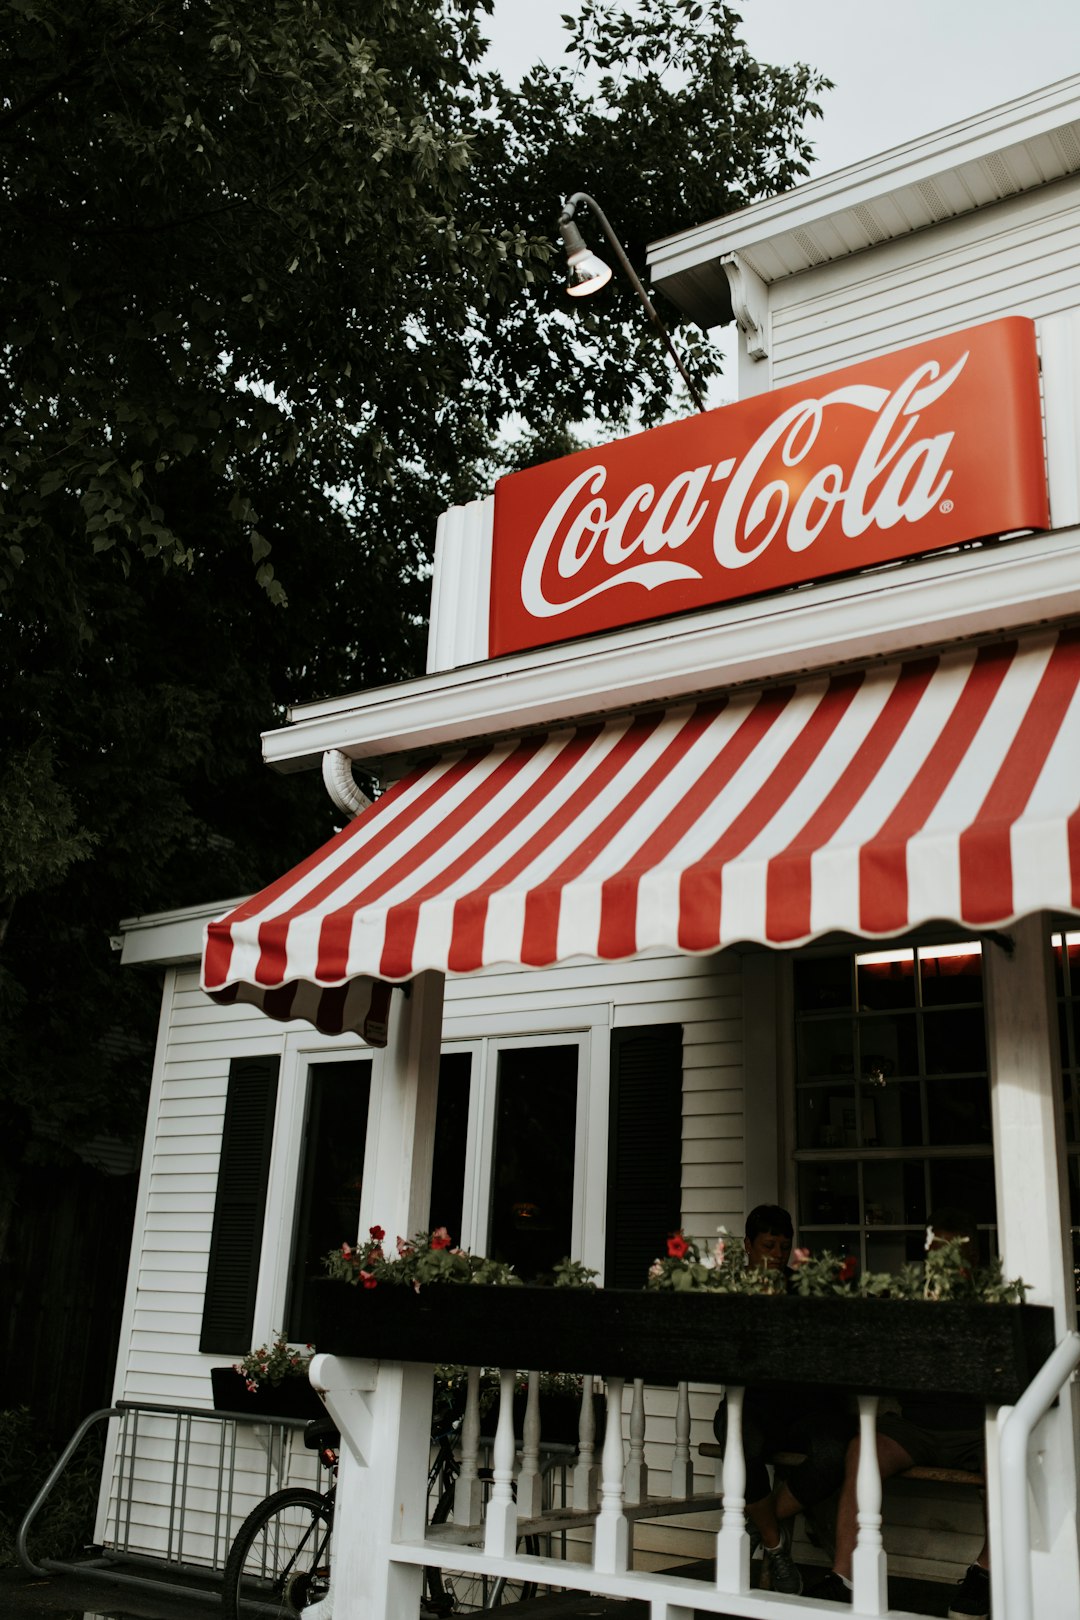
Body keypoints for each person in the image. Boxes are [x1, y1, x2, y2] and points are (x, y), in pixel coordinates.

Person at [808, 1207, 991, 1619]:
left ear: (973, 1258)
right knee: (862, 1449)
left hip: (976, 1431)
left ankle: (984, 1573)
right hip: (917, 1429)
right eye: (934, 1253)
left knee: (1005, 1465)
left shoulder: (990, 1302)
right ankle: (845, 1577)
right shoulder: (914, 1298)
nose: (940, 1263)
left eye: (952, 1253)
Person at [713, 1204, 854, 1597]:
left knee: (835, 1450)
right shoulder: (729, 1290)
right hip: (753, 1405)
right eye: (767, 1245)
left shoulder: (804, 1289)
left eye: (783, 1246)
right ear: (747, 1246)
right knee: (742, 1440)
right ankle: (776, 1547)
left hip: (805, 1408)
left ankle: (760, 1523)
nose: (776, 1254)